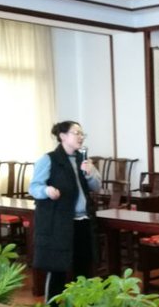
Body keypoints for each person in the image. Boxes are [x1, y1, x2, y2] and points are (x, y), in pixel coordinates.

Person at [29, 121, 101, 306]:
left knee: (84, 269)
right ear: (62, 136)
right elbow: (34, 187)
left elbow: (96, 187)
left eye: (82, 133)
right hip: (60, 224)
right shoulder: (49, 159)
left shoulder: (83, 160)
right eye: (76, 133)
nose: (80, 137)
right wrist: (47, 191)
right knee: (58, 269)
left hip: (83, 221)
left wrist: (90, 173)